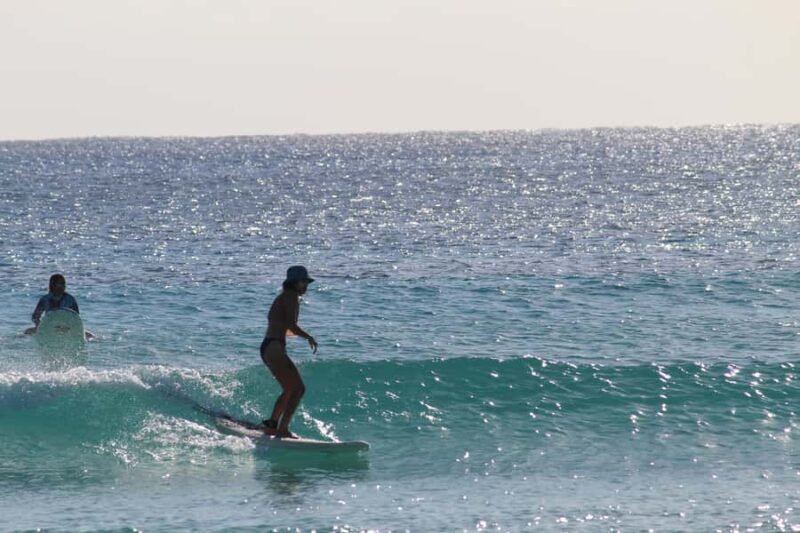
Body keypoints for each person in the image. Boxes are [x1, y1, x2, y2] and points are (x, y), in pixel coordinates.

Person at [260, 265, 318, 438]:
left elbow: (281, 325)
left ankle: (272, 424)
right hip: (275, 347)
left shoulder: (281, 298)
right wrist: (309, 337)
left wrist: (295, 333)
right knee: (298, 389)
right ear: (293, 283)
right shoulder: (291, 297)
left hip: (268, 347)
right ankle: (282, 429)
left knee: (289, 389)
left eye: (307, 282)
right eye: (303, 282)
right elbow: (291, 325)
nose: (305, 286)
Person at [25, 273, 93, 339]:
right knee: (27, 332)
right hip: (50, 328)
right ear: (53, 285)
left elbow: (75, 317)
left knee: (90, 336)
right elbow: (35, 317)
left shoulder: (70, 299)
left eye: (64, 284)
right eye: (60, 283)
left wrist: (67, 327)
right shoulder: (45, 299)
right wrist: (39, 326)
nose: (64, 286)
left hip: (67, 328)